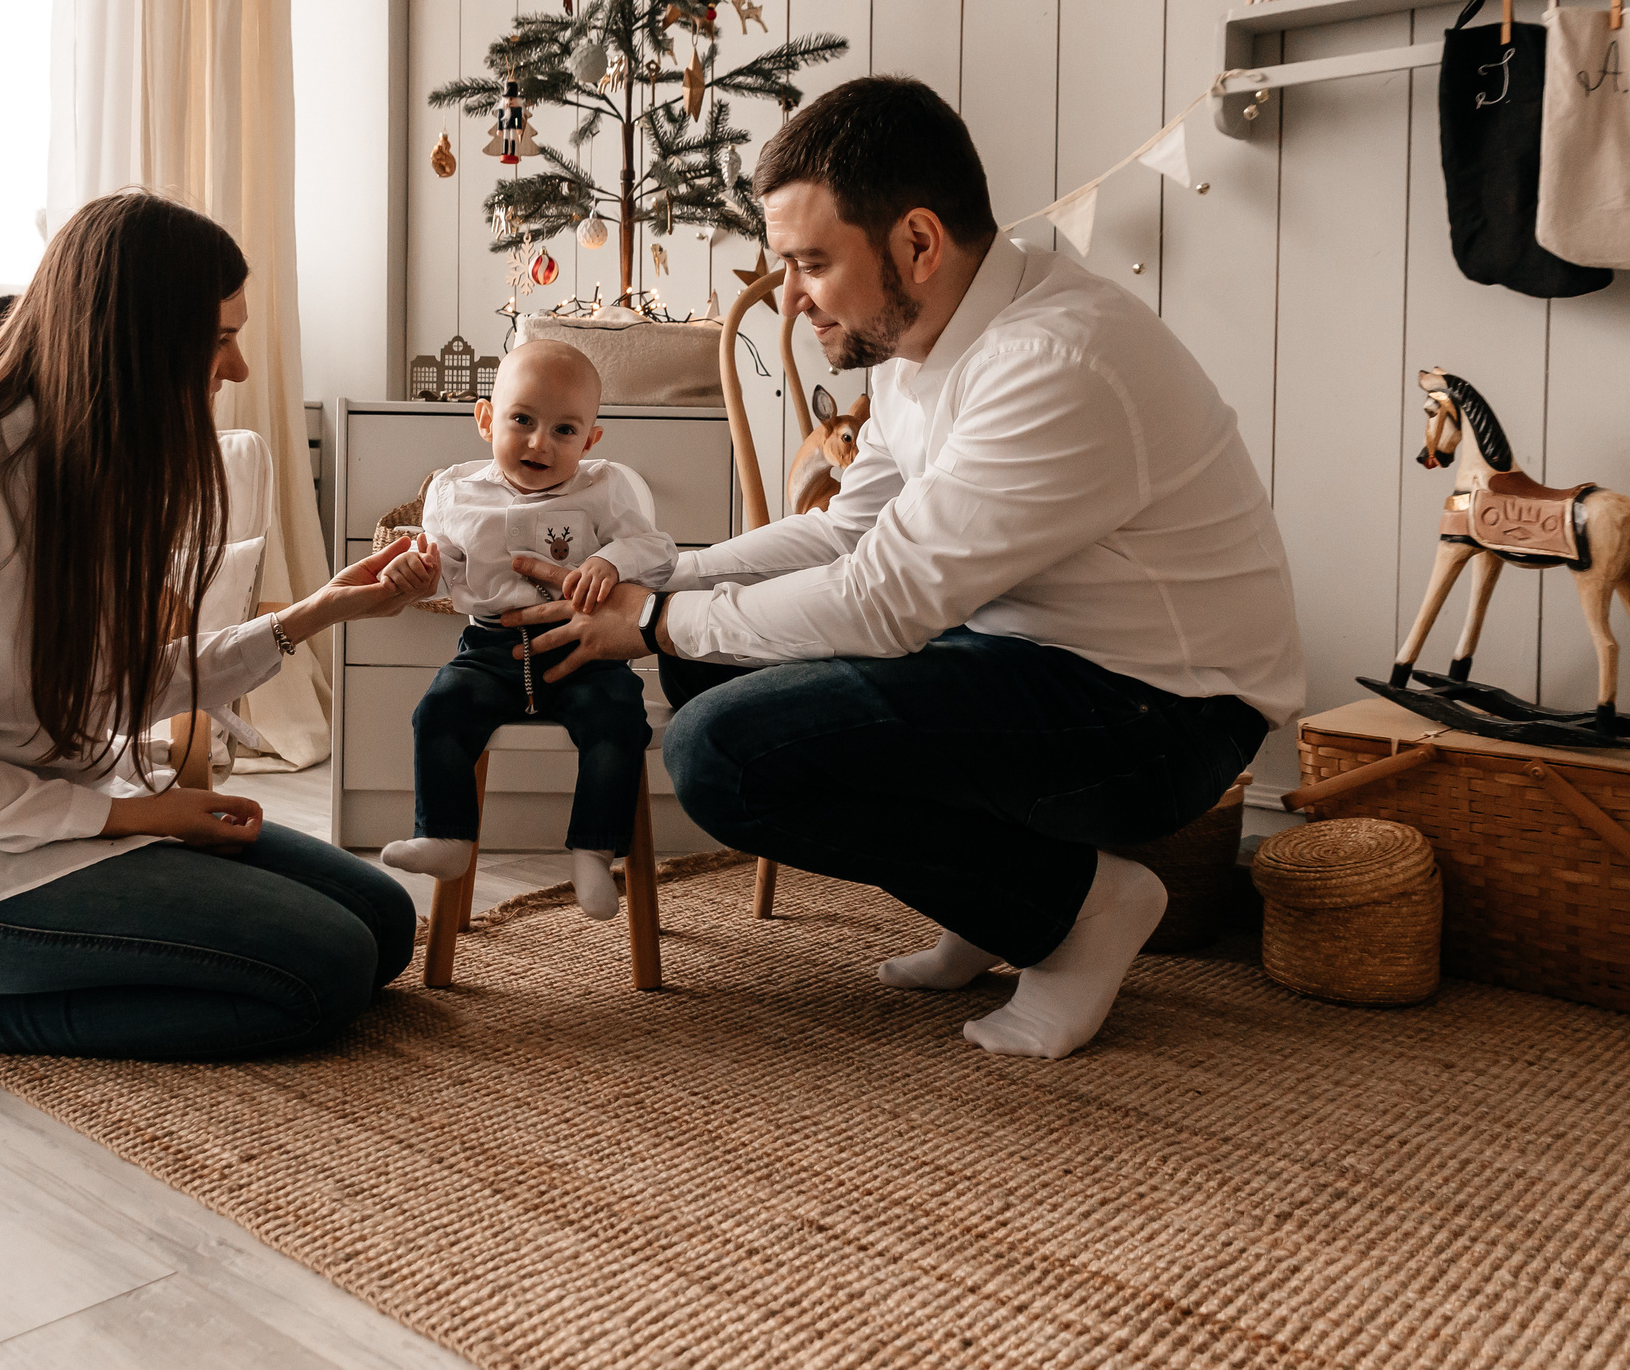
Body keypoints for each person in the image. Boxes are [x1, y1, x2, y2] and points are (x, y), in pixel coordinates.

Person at [501, 76, 1303, 1060]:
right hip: (1025, 659)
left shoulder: (1055, 360)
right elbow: (848, 533)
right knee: (706, 661)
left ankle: (1083, 910)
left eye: (809, 264)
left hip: (1163, 717)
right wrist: (667, 582)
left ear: (919, 243)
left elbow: (882, 601)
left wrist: (654, 617)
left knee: (719, 753)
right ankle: (996, 902)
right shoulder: (916, 345)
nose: (790, 299)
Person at [0, 190, 443, 1062]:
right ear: (136, 337)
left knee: (384, 923)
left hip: (67, 817)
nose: (239, 367)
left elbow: (113, 684)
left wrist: (315, 612)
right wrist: (131, 818)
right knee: (327, 970)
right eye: (219, 337)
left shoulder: (89, 462)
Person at [381, 339, 676, 921]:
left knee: (619, 721)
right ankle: (446, 834)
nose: (540, 442)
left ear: (589, 441)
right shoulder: (455, 490)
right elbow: (443, 566)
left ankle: (594, 850)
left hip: (584, 645)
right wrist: (419, 571)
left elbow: (657, 551)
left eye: (564, 430)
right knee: (439, 710)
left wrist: (610, 560)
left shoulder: (603, 488)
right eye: (522, 420)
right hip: (490, 647)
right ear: (487, 419)